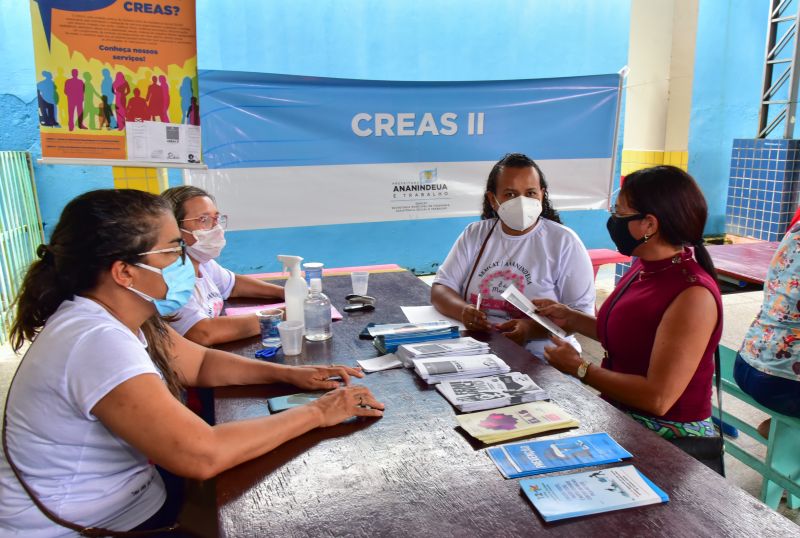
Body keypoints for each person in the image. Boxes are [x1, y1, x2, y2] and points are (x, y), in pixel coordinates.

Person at [0, 189, 383, 534]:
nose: (183, 262)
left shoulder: (123, 317)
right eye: (170, 251)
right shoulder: (95, 340)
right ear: (124, 272)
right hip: (88, 524)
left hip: (132, 497)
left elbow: (198, 364)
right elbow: (202, 453)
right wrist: (320, 412)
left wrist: (292, 374)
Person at [538, 165, 722, 439]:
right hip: (620, 412)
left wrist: (579, 367)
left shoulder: (692, 295)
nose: (613, 220)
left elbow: (658, 398)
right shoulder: (646, 266)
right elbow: (633, 335)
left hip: (669, 435)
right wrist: (571, 317)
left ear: (649, 224)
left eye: (619, 212)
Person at [431, 153, 595, 358]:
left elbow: (582, 317)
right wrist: (463, 311)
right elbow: (441, 289)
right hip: (480, 349)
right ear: (493, 199)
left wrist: (530, 329)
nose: (522, 202)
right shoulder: (475, 234)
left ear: (542, 195)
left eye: (531, 193)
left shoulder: (563, 242)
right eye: (510, 194)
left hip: (544, 356)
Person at [160, 186, 285, 346]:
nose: (216, 228)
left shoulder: (202, 263)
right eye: (203, 219)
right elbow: (203, 332)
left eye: (216, 219)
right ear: (173, 228)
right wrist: (279, 316)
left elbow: (234, 285)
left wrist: (285, 292)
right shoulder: (167, 279)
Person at [735, 221, 800, 437]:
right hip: (784, 385)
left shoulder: (797, 229)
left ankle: (779, 429)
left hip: (747, 361)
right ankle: (785, 436)